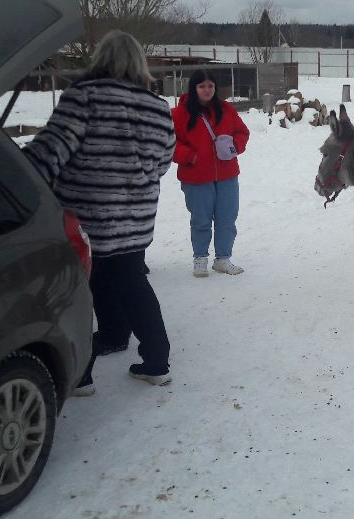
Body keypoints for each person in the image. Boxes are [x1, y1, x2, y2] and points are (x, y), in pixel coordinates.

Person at [23, 30, 176, 394]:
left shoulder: (84, 98)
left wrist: (14, 178)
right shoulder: (158, 107)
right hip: (135, 221)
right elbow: (162, 162)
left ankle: (81, 375)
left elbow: (50, 152)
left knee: (79, 294)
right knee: (133, 283)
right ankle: (156, 362)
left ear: (101, 59)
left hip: (86, 222)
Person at [171, 69, 250, 277]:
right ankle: (200, 258)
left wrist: (234, 146)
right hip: (196, 177)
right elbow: (168, 143)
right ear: (194, 88)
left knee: (227, 218)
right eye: (202, 86)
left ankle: (223, 259)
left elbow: (242, 132)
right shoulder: (178, 115)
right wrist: (190, 156)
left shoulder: (226, 109)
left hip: (227, 174)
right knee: (201, 219)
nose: (207, 90)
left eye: (210, 86)